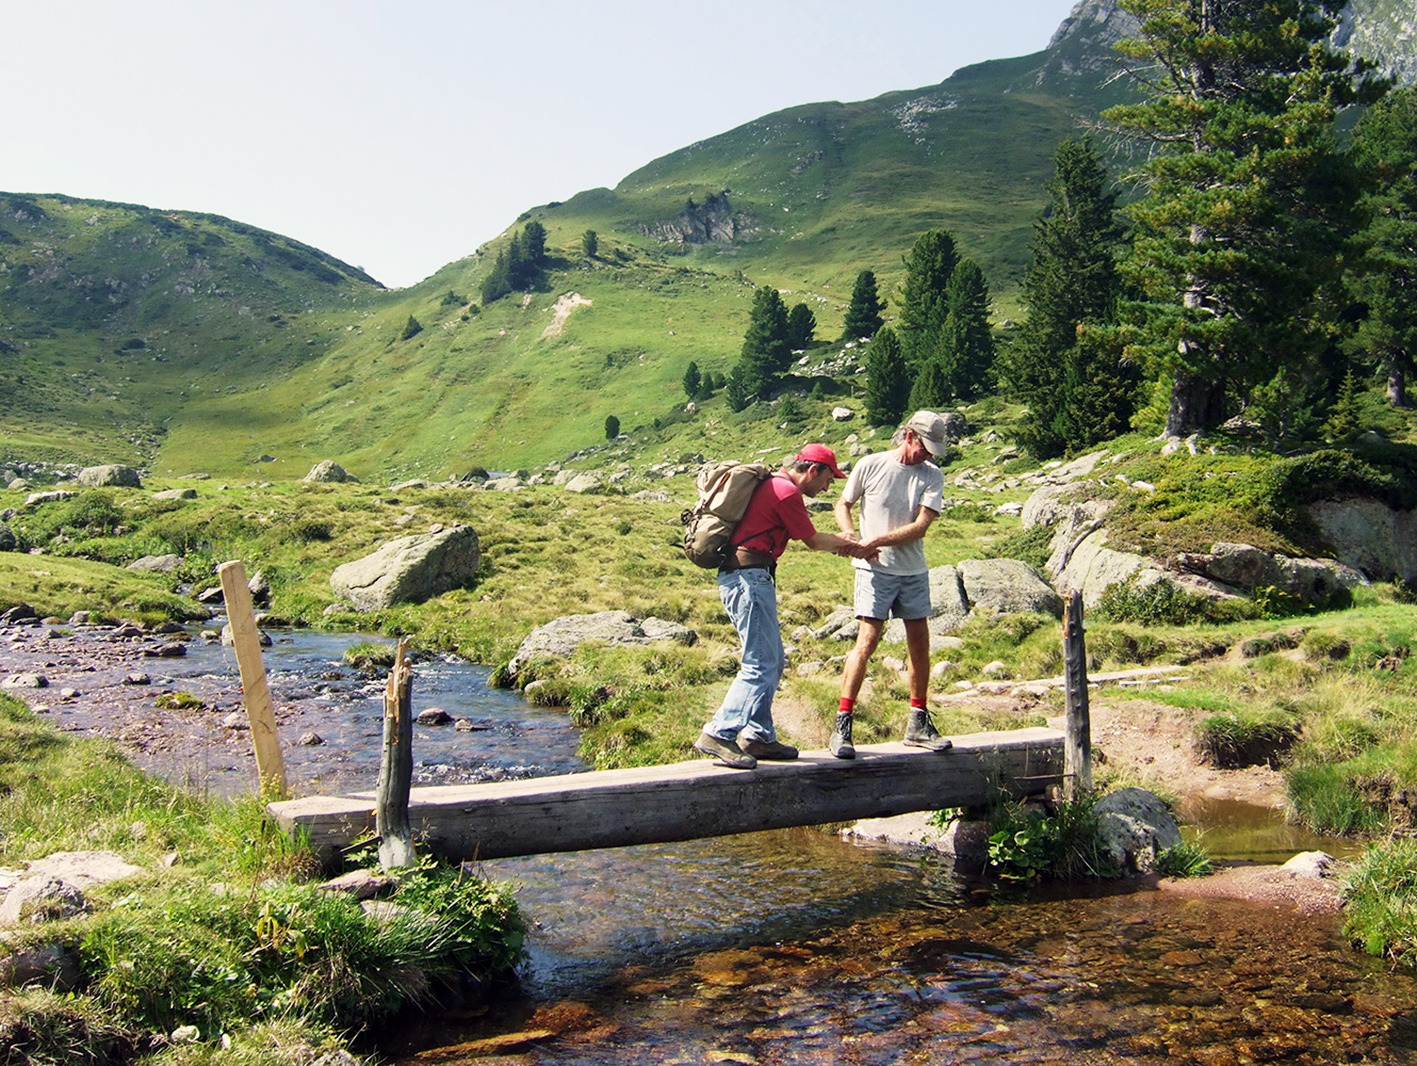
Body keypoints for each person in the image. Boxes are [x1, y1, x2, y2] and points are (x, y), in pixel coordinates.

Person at [694, 444, 876, 770]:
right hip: (749, 579)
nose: (826, 488)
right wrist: (856, 545)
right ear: (812, 470)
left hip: (748, 577)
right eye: (827, 479)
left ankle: (758, 736)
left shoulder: (773, 484)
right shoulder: (785, 492)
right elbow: (814, 541)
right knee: (761, 663)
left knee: (772, 661)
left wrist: (847, 541)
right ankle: (719, 732)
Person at [830, 411, 953, 759]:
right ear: (910, 436)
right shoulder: (871, 465)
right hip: (874, 572)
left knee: (919, 643)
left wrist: (874, 541)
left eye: (933, 450)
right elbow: (844, 503)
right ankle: (842, 724)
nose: (928, 455)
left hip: (912, 570)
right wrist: (850, 534)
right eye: (926, 447)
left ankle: (918, 722)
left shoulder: (932, 476)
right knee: (866, 641)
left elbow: (920, 527)